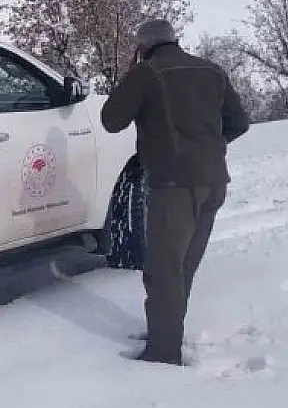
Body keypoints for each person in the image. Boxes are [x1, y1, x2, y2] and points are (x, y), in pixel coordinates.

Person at [100, 19, 251, 366]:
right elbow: (239, 123)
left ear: (143, 46)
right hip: (213, 181)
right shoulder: (212, 70)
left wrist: (129, 76)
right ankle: (165, 332)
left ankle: (163, 352)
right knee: (184, 265)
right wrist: (210, 148)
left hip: (172, 185)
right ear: (174, 40)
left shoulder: (146, 74)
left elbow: (112, 120)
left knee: (164, 268)